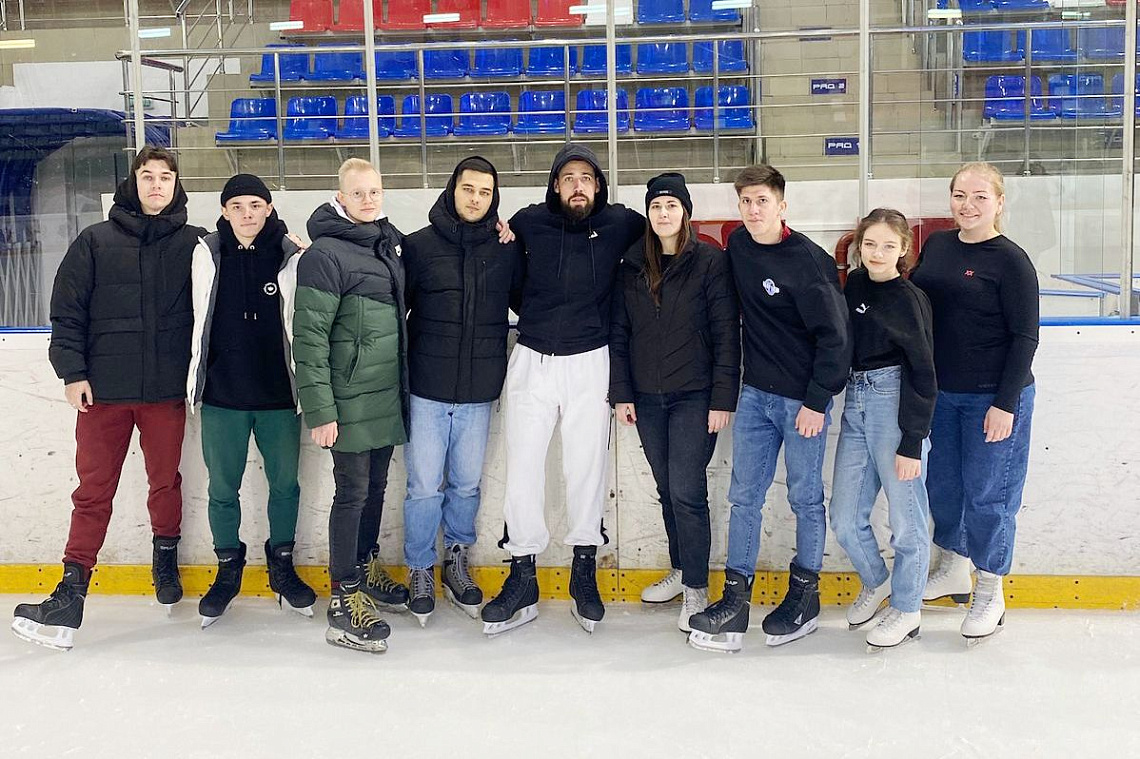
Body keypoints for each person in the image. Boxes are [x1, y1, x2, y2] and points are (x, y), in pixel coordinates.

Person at [12, 146, 205, 651]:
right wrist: (72, 372)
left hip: (164, 392)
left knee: (165, 482)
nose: (157, 185)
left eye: (166, 177)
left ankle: (165, 560)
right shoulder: (94, 241)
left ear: (176, 184)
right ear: (133, 183)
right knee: (93, 491)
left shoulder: (197, 244)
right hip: (104, 394)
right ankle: (72, 588)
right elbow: (67, 311)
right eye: (148, 176)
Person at [481, 143, 644, 635]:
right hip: (531, 356)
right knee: (524, 467)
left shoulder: (623, 223)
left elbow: (667, 235)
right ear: (555, 185)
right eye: (568, 178)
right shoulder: (528, 222)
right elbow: (505, 269)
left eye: (586, 179)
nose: (578, 186)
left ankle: (583, 569)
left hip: (590, 360)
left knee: (585, 466)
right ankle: (522, 574)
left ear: (599, 186)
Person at [688, 164, 851, 653]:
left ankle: (805, 598)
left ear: (782, 205)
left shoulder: (809, 262)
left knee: (804, 498)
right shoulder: (738, 246)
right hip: (755, 395)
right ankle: (736, 599)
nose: (754, 210)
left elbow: (836, 339)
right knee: (744, 497)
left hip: (802, 402)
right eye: (746, 202)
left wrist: (817, 402)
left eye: (763, 201)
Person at [910, 162, 1038, 643]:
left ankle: (990, 586)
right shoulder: (938, 246)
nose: (968, 205)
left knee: (989, 495)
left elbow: (1025, 337)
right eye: (960, 194)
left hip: (994, 397)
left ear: (999, 203)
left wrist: (1005, 405)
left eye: (980, 196)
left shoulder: (1011, 260)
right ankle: (954, 567)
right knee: (943, 487)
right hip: (942, 394)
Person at [609, 172, 740, 633]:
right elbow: (620, 333)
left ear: (685, 211)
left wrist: (722, 397)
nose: (663, 214)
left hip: (694, 395)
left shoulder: (709, 260)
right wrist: (621, 392)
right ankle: (683, 570)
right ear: (648, 214)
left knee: (687, 492)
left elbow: (726, 332)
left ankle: (697, 590)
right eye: (656, 207)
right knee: (667, 489)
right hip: (646, 397)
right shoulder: (632, 264)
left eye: (671, 206)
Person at [186, 173, 316, 628]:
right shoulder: (207, 252)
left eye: (255, 205)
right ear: (224, 211)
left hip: (279, 394)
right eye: (237, 205)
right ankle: (228, 568)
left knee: (286, 487)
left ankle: (281, 563)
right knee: (223, 488)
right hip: (223, 395)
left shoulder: (290, 255)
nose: (246, 214)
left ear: (268, 209)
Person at [291, 158, 409, 653]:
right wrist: (320, 410)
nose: (368, 200)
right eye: (358, 194)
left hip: (384, 393)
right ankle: (343, 595)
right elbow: (309, 337)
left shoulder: (387, 245)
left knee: (377, 486)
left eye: (375, 192)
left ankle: (364, 565)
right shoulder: (325, 254)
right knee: (353, 493)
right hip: (347, 398)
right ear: (340, 197)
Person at [400, 157, 524, 626]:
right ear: (453, 190)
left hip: (478, 390)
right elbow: (397, 313)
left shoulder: (506, 249)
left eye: (485, 192)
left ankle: (455, 560)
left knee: (467, 485)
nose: (476, 199)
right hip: (427, 389)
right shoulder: (418, 247)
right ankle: (418, 568)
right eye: (468, 189)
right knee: (424, 487)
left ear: (494, 199)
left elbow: (529, 301)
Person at [829, 209, 937, 650]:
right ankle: (877, 580)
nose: (877, 253)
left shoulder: (911, 300)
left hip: (894, 403)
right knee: (844, 516)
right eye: (869, 244)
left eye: (888, 246)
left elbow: (924, 374)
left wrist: (912, 440)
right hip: (855, 398)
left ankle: (908, 609)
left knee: (905, 517)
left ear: (904, 250)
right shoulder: (853, 284)